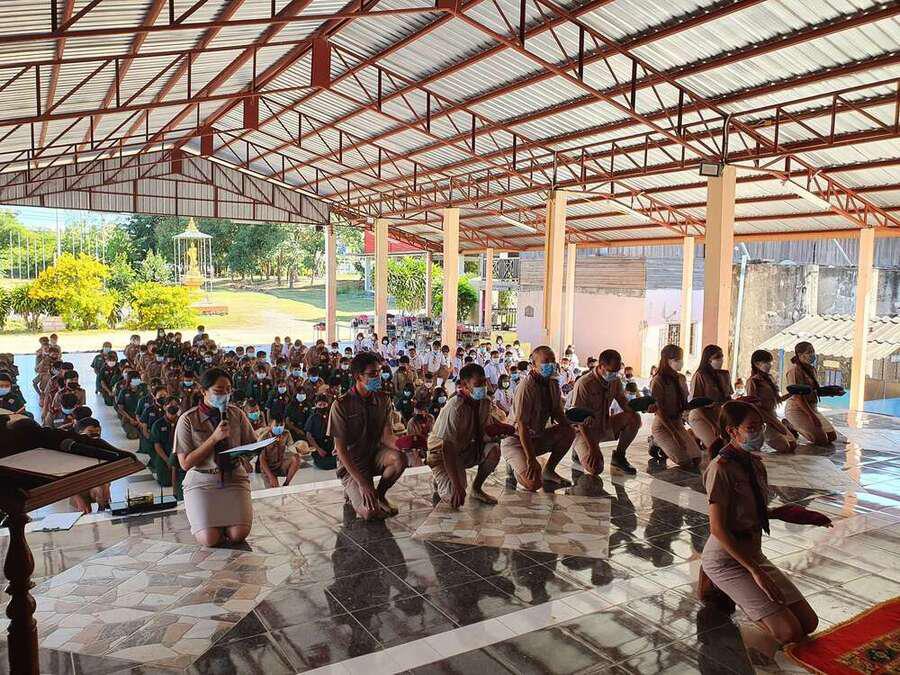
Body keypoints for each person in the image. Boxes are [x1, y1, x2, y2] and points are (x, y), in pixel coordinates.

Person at [701, 400, 821, 644]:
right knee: (789, 633)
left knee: (809, 623)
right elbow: (717, 528)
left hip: (753, 552)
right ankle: (736, 599)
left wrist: (794, 514)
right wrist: (755, 572)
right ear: (732, 431)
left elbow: (754, 510)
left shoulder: (755, 464)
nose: (759, 433)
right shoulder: (720, 469)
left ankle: (753, 599)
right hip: (726, 559)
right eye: (752, 427)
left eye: (761, 426)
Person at [174, 367, 257, 547]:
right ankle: (208, 524)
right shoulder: (188, 419)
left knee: (238, 534)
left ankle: (225, 525)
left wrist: (248, 452)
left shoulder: (237, 414)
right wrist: (214, 439)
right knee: (209, 539)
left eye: (228, 390)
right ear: (203, 391)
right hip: (202, 481)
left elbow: (251, 444)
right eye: (219, 391)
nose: (225, 395)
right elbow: (185, 463)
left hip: (234, 478)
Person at [327, 352, 406, 520]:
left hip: (375, 455)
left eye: (379, 372)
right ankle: (354, 489)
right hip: (352, 463)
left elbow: (386, 437)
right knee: (370, 513)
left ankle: (379, 495)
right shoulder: (341, 405)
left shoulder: (383, 399)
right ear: (358, 376)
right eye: (372, 374)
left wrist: (405, 444)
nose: (378, 377)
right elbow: (340, 450)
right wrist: (362, 483)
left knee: (400, 459)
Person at [500, 346, 576, 491]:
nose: (551, 365)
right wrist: (531, 459)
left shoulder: (553, 383)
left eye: (553, 360)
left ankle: (549, 470)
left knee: (568, 432)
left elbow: (557, 412)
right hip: (516, 441)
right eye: (546, 361)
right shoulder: (526, 387)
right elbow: (521, 425)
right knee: (533, 484)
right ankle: (516, 468)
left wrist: (574, 423)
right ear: (533, 365)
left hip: (537, 437)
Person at [427, 363, 501, 507]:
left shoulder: (485, 402)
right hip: (442, 454)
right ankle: (441, 477)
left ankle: (477, 489)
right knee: (454, 497)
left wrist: (500, 433)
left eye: (484, 382)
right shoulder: (455, 407)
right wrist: (458, 486)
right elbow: (447, 448)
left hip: (466, 448)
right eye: (478, 384)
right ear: (464, 385)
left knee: (494, 450)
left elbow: (484, 431)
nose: (483, 387)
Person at [568, 349, 639, 476]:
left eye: (617, 370)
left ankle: (619, 456)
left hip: (603, 425)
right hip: (584, 431)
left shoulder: (615, 380)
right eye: (612, 371)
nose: (615, 374)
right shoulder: (585, 383)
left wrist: (639, 408)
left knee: (634, 418)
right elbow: (579, 420)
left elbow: (623, 402)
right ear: (601, 366)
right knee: (596, 468)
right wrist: (593, 448)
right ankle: (578, 451)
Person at [650, 344, 702, 469]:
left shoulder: (681, 378)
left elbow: (685, 404)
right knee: (686, 462)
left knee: (696, 459)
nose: (681, 363)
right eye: (677, 360)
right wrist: (675, 435)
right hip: (663, 425)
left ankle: (662, 443)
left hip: (677, 422)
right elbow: (660, 411)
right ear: (667, 361)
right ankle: (655, 441)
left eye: (681, 359)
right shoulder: (658, 380)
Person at [784, 342, 837, 446]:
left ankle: (794, 425)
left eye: (813, 351)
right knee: (821, 440)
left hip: (812, 407)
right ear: (800, 355)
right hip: (798, 409)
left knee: (832, 437)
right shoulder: (794, 371)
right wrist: (812, 416)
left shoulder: (811, 369)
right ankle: (791, 425)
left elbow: (813, 390)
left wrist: (831, 392)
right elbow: (798, 397)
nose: (812, 354)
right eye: (809, 352)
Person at [746, 350, 797, 454]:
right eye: (766, 362)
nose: (769, 365)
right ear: (756, 364)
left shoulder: (769, 379)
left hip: (772, 415)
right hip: (764, 419)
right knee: (786, 447)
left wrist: (791, 393)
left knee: (793, 445)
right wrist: (771, 422)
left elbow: (777, 400)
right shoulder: (753, 381)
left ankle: (785, 425)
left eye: (770, 362)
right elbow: (752, 405)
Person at [688, 345, 734, 449]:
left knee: (729, 445)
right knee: (717, 447)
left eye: (722, 356)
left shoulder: (725, 374)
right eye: (717, 357)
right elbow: (696, 404)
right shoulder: (700, 375)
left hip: (718, 415)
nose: (721, 360)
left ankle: (695, 435)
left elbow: (728, 398)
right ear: (708, 360)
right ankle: (693, 434)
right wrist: (713, 425)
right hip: (701, 415)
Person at [150, 398, 184, 498]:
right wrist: (167, 460)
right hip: (164, 456)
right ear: (164, 407)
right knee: (165, 482)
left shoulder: (183, 421)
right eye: (170, 404)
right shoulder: (158, 424)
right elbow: (157, 445)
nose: (173, 406)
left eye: (175, 404)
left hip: (181, 455)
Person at [256, 415, 301, 488]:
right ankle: (271, 478)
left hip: (280, 464)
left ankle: (286, 484)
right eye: (276, 425)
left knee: (296, 458)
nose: (279, 428)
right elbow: (262, 459)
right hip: (268, 467)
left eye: (281, 425)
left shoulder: (286, 433)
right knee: (274, 490)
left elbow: (292, 449)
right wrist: (271, 477)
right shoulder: (264, 436)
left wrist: (299, 448)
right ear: (270, 424)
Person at [305, 394, 336, 470]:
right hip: (319, 447)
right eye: (320, 405)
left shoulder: (331, 415)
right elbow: (308, 435)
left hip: (331, 447)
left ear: (328, 404)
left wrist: (336, 447)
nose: (322, 407)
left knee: (339, 462)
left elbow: (336, 432)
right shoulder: (312, 418)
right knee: (324, 465)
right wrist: (318, 449)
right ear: (316, 405)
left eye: (324, 404)